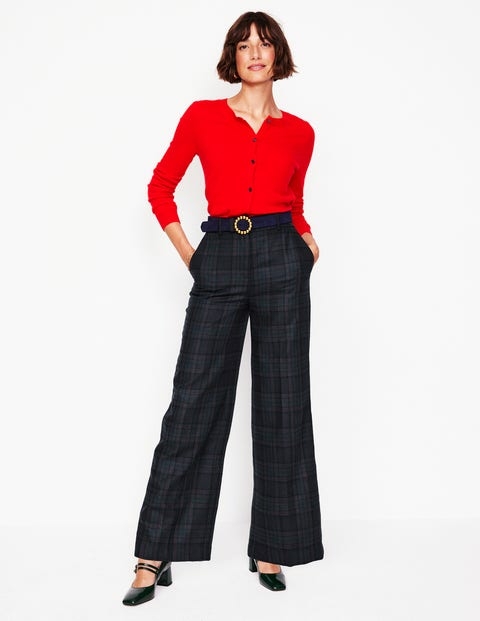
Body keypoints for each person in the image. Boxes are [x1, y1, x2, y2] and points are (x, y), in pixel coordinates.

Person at [122, 11, 324, 606]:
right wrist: (192, 255)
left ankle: (271, 547)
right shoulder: (203, 117)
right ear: (232, 58)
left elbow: (295, 202)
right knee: (193, 402)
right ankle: (154, 553)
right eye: (244, 44)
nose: (255, 52)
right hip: (220, 255)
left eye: (264, 43)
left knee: (283, 403)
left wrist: (307, 242)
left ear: (278, 55)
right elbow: (160, 186)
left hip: (282, 258)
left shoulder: (301, 132)